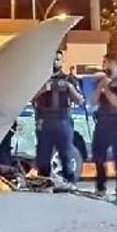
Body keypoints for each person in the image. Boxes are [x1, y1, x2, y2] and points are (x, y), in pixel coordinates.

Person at [32, 50, 84, 183]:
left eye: (58, 59)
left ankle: (69, 183)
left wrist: (69, 88)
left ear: (62, 61)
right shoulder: (39, 79)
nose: (55, 62)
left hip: (62, 121)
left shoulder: (68, 79)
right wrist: (43, 89)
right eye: (53, 59)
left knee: (66, 154)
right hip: (44, 121)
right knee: (43, 156)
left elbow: (80, 100)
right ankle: (44, 182)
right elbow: (30, 98)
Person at [91, 56, 117, 198]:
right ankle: (100, 187)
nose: (104, 65)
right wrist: (100, 86)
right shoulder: (102, 80)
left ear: (114, 63)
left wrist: (106, 88)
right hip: (102, 123)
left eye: (106, 63)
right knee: (99, 157)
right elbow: (92, 101)